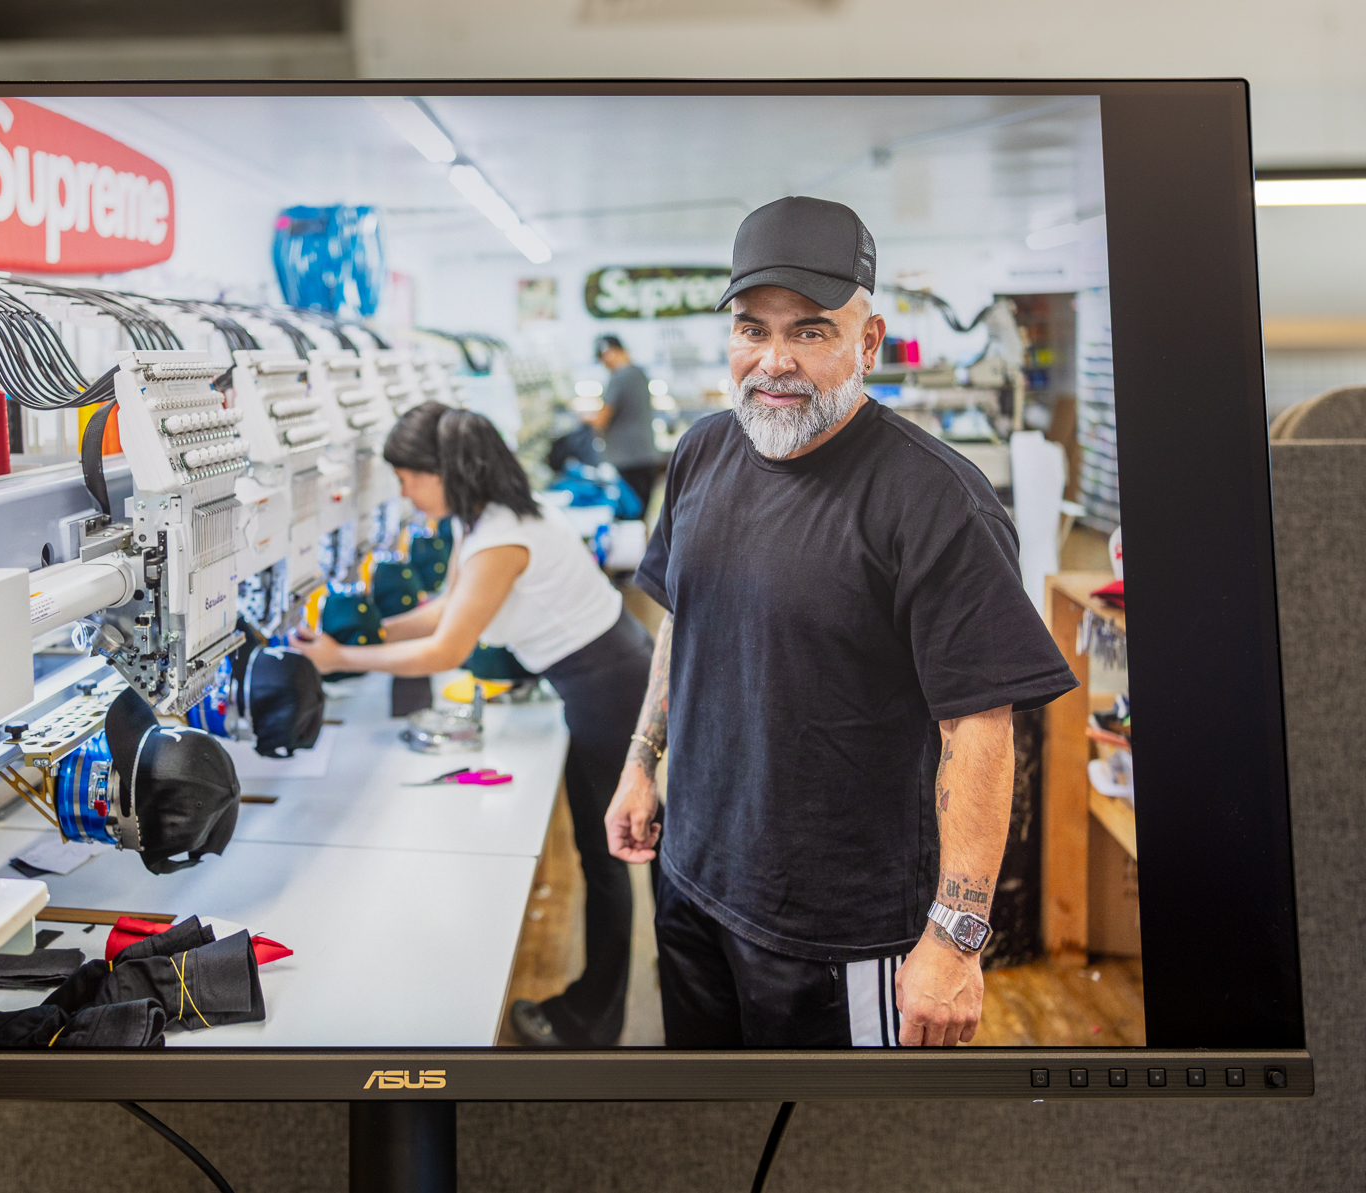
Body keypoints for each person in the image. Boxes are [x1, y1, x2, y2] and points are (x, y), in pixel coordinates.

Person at [604, 196, 1076, 1048]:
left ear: (868, 342)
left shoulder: (936, 500)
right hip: (692, 881)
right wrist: (644, 761)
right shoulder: (702, 451)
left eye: (810, 331)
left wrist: (956, 936)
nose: (774, 360)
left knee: (838, 1148)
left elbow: (981, 728)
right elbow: (684, 614)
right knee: (707, 1120)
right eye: (752, 329)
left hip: (837, 930)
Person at [290, 401, 654, 1047]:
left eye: (407, 477)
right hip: (602, 676)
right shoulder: (487, 519)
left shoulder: (497, 538)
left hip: (610, 689)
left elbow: (447, 649)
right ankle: (604, 1009)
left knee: (603, 859)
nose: (402, 490)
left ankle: (591, 1025)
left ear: (441, 471)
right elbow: (443, 610)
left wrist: (341, 658)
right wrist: (358, 633)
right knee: (601, 854)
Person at [588, 334, 663, 516]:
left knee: (630, 516)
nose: (604, 365)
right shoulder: (639, 373)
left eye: (602, 358)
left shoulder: (619, 377)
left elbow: (601, 419)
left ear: (609, 353)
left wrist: (584, 418)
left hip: (628, 460)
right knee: (642, 515)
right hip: (645, 455)